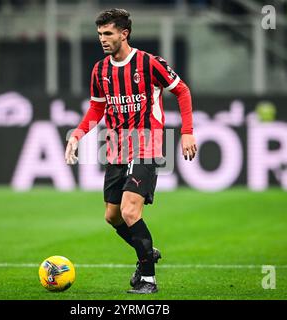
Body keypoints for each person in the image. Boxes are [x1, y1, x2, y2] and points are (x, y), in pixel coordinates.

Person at [65, 8, 197, 294]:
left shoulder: (150, 63)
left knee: (129, 210)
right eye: (100, 34)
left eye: (108, 33)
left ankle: (147, 279)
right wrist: (77, 134)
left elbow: (182, 91)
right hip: (115, 150)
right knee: (112, 216)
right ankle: (147, 251)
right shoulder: (100, 70)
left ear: (124, 34)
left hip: (146, 145)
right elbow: (97, 108)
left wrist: (186, 132)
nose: (102, 39)